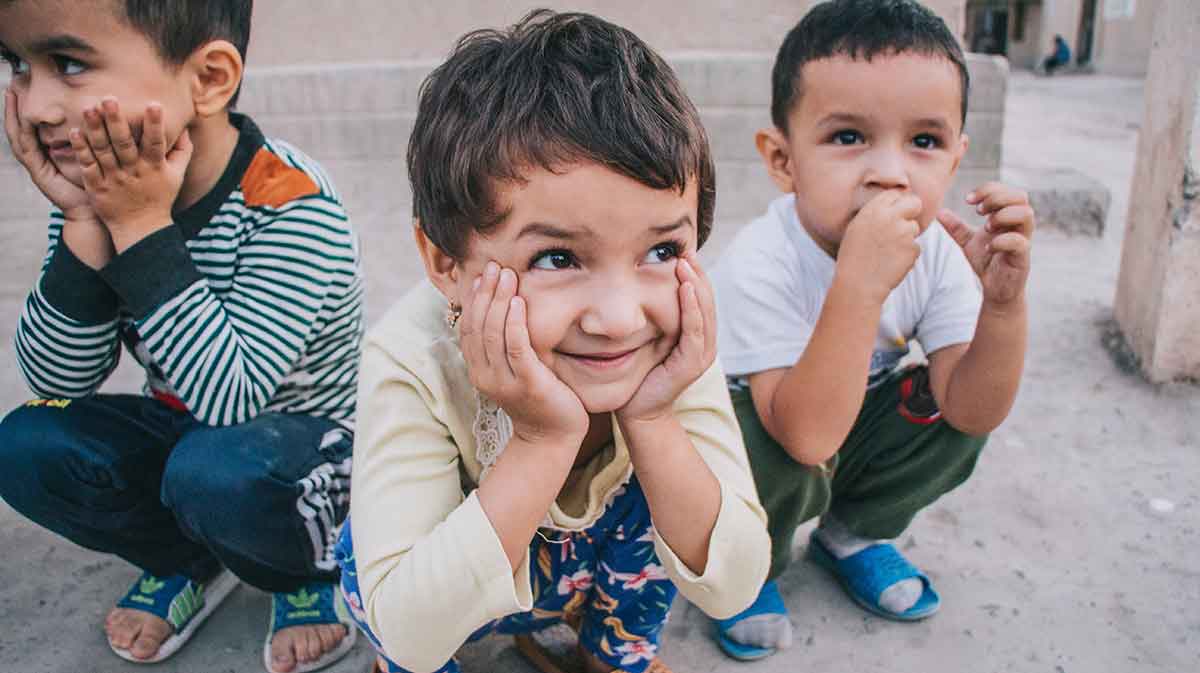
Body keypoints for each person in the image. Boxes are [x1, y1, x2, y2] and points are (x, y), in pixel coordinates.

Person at [335, 10, 771, 673]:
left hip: (579, 574)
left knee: (671, 487)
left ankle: (608, 654)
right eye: (557, 258)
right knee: (374, 574)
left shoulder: (669, 345)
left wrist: (651, 416)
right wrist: (542, 439)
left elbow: (735, 581)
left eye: (662, 247)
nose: (620, 319)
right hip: (446, 591)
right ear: (446, 262)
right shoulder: (410, 356)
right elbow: (410, 626)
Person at [0, 1, 363, 671]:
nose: (36, 105)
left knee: (217, 472)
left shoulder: (289, 205)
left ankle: (304, 574)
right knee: (26, 441)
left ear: (209, 79)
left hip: (302, 455)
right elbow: (59, 381)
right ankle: (187, 556)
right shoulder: (102, 195)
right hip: (191, 439)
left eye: (70, 63)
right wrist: (85, 223)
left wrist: (139, 226)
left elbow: (234, 401)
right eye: (18, 65)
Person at [708, 0, 1035, 661]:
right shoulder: (759, 261)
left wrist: (1002, 307)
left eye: (924, 141)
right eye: (849, 137)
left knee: (941, 405)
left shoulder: (937, 252)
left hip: (844, 425)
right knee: (764, 439)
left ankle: (852, 534)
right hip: (760, 446)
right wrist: (858, 286)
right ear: (782, 159)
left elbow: (973, 409)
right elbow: (802, 436)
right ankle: (746, 567)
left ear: (955, 159)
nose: (891, 171)